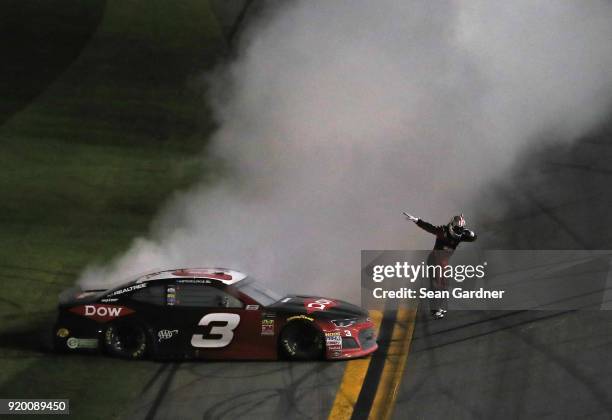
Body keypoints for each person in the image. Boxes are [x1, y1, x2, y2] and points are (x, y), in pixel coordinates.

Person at [403, 212, 477, 319]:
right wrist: (417, 220)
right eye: (456, 229)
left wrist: (472, 234)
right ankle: (434, 310)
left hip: (444, 263)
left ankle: (438, 307)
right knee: (436, 286)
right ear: (452, 226)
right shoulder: (442, 231)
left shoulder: (461, 234)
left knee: (444, 286)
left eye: (460, 230)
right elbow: (429, 228)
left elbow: (473, 238)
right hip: (434, 260)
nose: (458, 232)